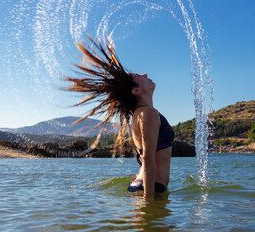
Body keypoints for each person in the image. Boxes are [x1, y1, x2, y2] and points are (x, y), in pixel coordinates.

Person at [65, 35, 174, 198]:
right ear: (135, 91)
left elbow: (146, 157)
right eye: (139, 76)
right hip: (150, 188)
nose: (144, 74)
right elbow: (148, 159)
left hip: (143, 184)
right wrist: (148, 204)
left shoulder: (140, 114)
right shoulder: (147, 113)